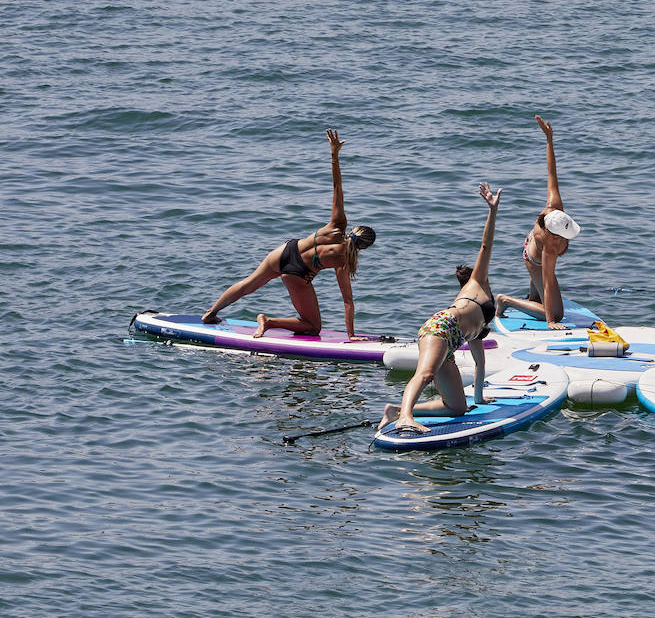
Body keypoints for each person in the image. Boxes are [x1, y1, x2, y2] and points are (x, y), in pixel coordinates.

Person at [201, 129, 376, 338]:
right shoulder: (343, 260)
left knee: (248, 283)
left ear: (355, 229)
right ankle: (268, 321)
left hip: (285, 250)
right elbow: (347, 301)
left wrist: (334, 154)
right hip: (297, 274)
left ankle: (210, 313)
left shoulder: (338, 225)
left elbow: (337, 188)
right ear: (364, 247)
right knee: (313, 327)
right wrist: (351, 336)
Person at [379, 182, 502, 434]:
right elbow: (485, 246)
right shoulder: (476, 283)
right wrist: (493, 211)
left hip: (452, 341)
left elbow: (480, 363)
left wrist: (479, 399)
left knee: (457, 407)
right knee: (425, 374)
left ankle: (394, 410)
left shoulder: (480, 324)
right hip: (442, 327)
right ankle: (405, 417)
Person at [495, 116, 579, 330]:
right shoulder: (550, 246)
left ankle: (532, 298)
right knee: (558, 313)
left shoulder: (555, 206)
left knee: (539, 297)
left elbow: (552, 171)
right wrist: (551, 320)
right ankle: (505, 300)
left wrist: (549, 139)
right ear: (556, 235)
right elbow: (549, 278)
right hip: (535, 260)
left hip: (532, 243)